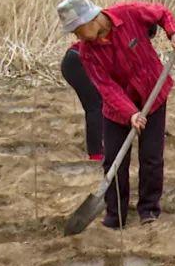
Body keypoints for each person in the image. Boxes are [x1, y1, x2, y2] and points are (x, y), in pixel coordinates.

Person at [56, 0, 175, 229]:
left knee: (151, 157)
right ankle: (115, 216)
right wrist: (130, 113)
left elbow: (161, 12)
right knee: (114, 162)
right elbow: (106, 87)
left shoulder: (128, 13)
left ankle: (149, 210)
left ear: (90, 19)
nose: (77, 36)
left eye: (77, 30)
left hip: (152, 94)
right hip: (117, 109)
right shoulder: (87, 52)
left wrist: (174, 32)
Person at [61, 23, 157, 162]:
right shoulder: (125, 35)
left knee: (103, 102)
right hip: (77, 63)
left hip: (78, 61)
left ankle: (101, 147)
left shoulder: (128, 36)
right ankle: (96, 155)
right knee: (95, 105)